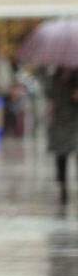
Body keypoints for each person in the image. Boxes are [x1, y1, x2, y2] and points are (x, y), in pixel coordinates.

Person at [48, 67, 78, 204]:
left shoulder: (74, 75)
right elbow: (50, 95)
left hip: (73, 119)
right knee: (61, 154)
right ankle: (62, 186)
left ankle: (64, 185)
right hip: (60, 119)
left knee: (73, 151)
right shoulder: (56, 74)